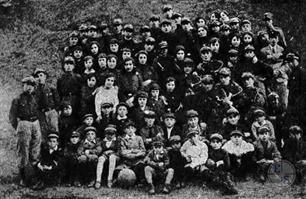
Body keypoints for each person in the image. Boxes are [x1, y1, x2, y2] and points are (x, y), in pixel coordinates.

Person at [9, 76, 42, 186]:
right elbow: (12, 117)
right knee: (23, 151)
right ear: (23, 85)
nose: (29, 87)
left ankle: (33, 177)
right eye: (27, 85)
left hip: (35, 123)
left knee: (36, 150)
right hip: (24, 124)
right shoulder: (17, 99)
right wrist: (19, 128)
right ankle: (23, 177)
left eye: (32, 85)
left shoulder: (36, 97)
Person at [33, 68, 60, 134]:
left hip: (51, 112)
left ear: (45, 77)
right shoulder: (35, 90)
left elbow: (57, 100)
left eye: (41, 75)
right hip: (41, 113)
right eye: (37, 76)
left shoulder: (51, 88)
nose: (39, 78)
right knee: (44, 131)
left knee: (54, 130)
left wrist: (57, 110)